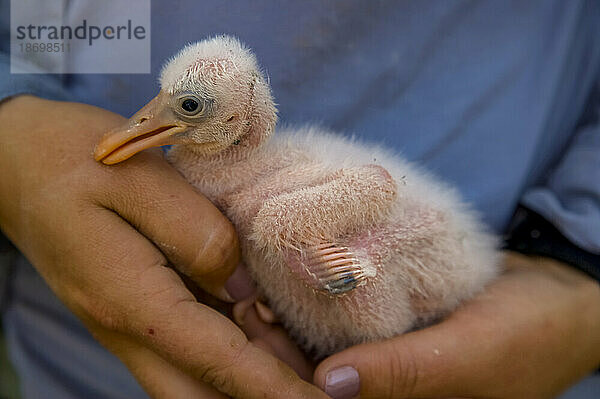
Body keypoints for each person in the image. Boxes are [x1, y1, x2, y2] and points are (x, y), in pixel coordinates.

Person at [1, 1, 599, 398]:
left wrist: (580, 257)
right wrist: (12, 133)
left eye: (186, 108)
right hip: (82, 364)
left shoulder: (273, 207)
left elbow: (375, 190)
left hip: (513, 345)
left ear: (237, 118)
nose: (144, 124)